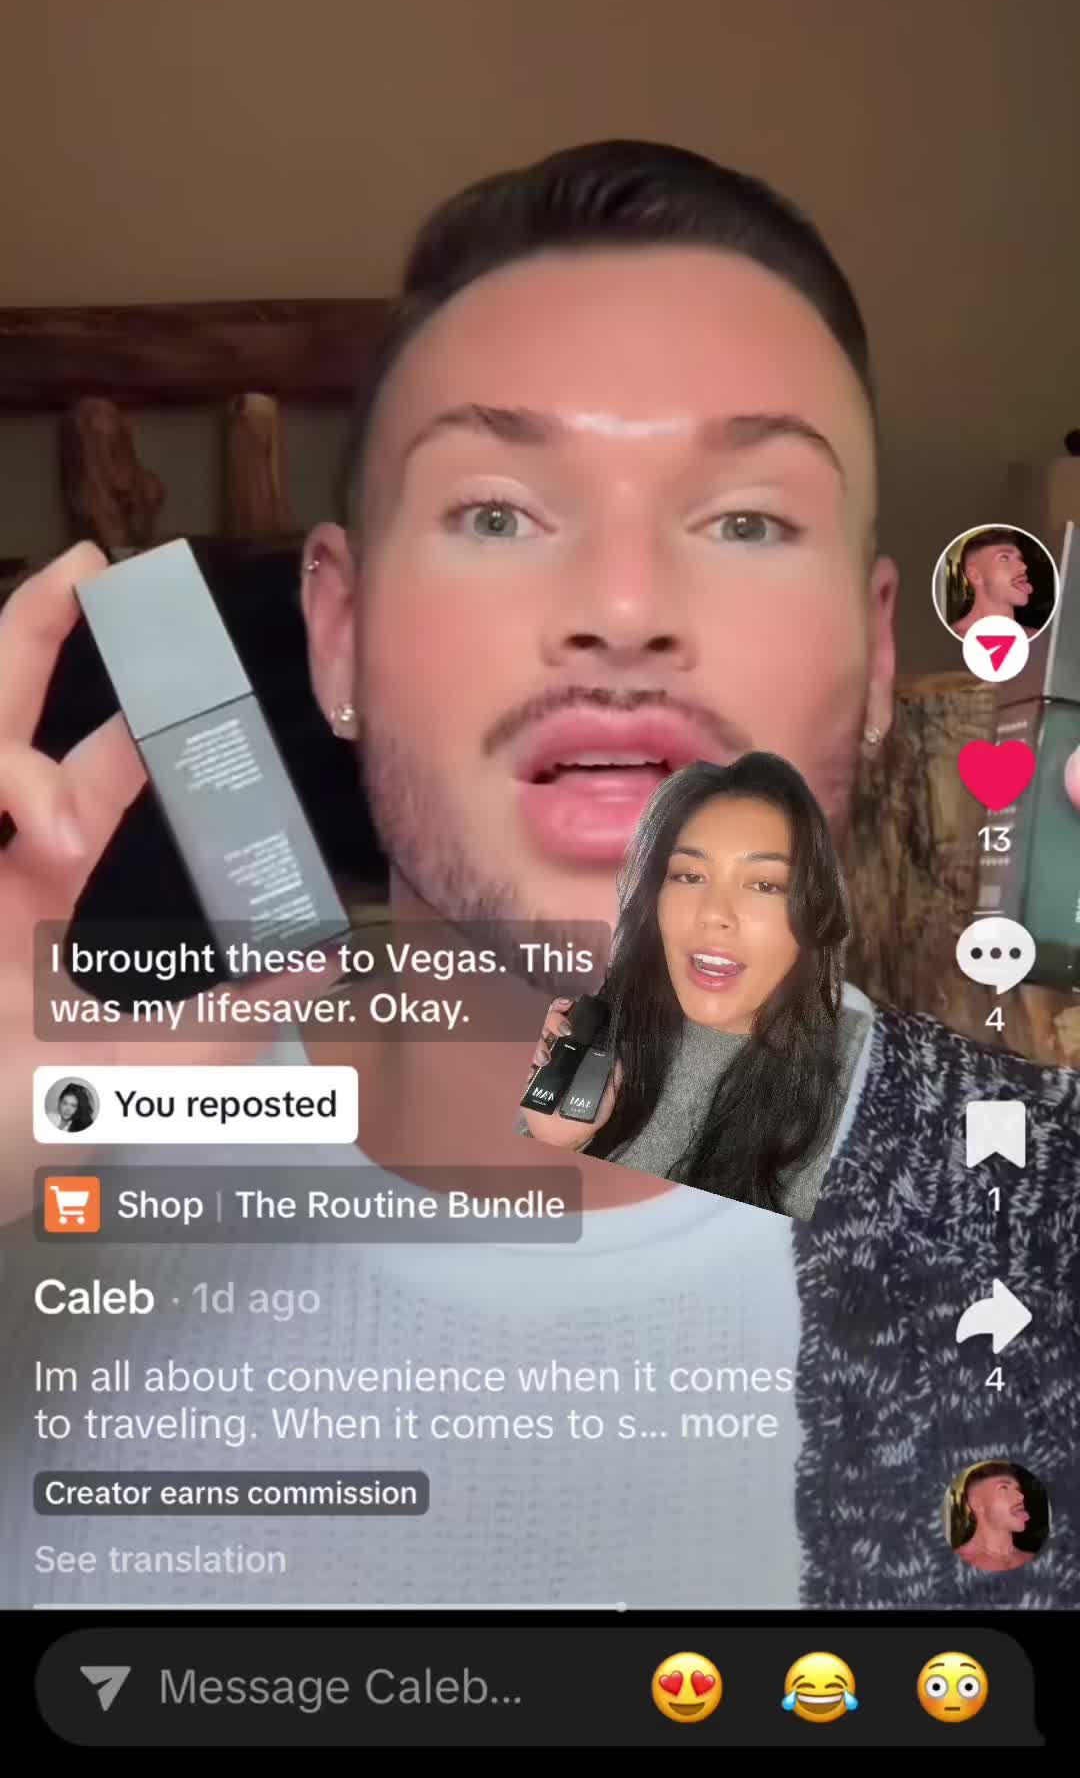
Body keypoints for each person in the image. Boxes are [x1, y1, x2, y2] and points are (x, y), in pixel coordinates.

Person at [0, 140, 1078, 1614]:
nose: (622, 610)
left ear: (878, 655)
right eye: (498, 512)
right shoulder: (46, 1190)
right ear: (340, 637)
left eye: (747, 520)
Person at [522, 754, 868, 1219]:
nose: (713, 914)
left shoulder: (867, 1076)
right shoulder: (580, 1025)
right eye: (689, 876)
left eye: (764, 885)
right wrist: (558, 1145)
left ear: (813, 911)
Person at [950, 1462, 1036, 1573]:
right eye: (1004, 1488)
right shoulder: (951, 1567)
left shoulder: (1034, 1559)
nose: (1021, 1496)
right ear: (977, 1504)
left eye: (1018, 1489)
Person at [948, 528, 1033, 636]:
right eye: (1004, 558)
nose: (1023, 566)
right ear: (975, 575)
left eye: (1020, 558)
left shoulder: (1041, 638)